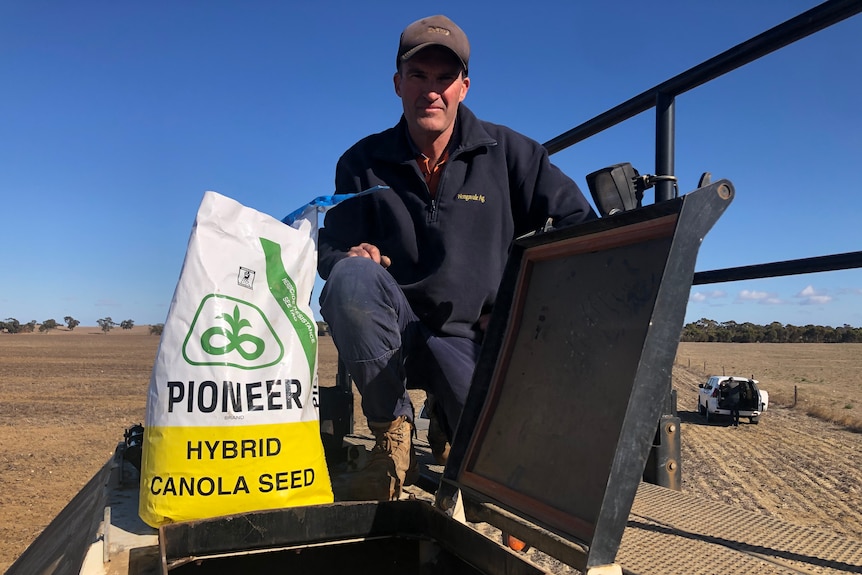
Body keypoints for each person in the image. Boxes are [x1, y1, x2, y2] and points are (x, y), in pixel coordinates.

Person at [317, 14, 597, 501]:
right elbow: (329, 247)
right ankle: (390, 436)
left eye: (445, 78)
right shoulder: (360, 162)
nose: (432, 90)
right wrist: (348, 256)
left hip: (470, 334)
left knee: (491, 464)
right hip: (394, 330)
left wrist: (517, 308)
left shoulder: (514, 154)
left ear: (464, 87)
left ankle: (450, 421)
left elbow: (579, 226)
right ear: (398, 84)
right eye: (419, 76)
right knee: (350, 280)